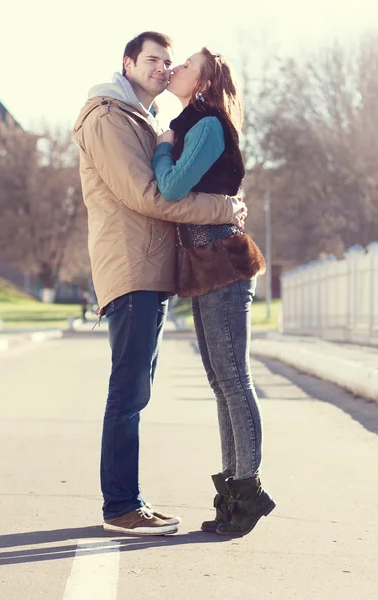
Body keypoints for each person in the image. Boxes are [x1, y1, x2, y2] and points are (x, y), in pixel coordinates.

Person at [72, 31, 247, 536]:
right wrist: (222, 208)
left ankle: (126, 501)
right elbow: (148, 195)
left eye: (169, 61)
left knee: (136, 390)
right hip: (131, 267)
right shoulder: (108, 117)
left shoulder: (141, 119)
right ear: (127, 63)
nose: (163, 68)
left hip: (149, 267)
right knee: (127, 392)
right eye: (152, 59)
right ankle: (122, 506)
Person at [152, 47, 276, 537]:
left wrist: (163, 147)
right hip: (207, 266)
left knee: (234, 380)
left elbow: (173, 188)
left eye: (185, 66)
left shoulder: (205, 124)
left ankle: (248, 490)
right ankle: (233, 491)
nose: (174, 68)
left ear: (202, 84)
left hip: (222, 262)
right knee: (222, 382)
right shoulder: (192, 120)